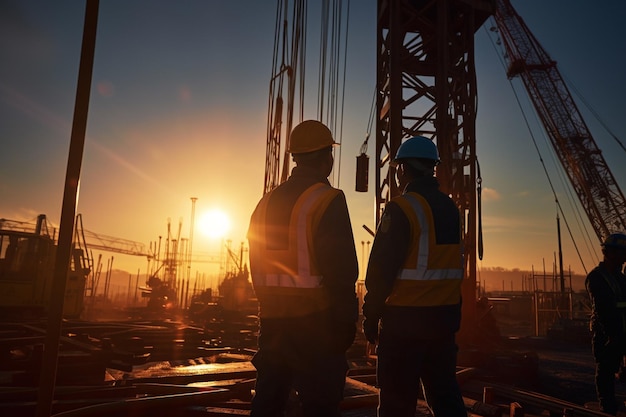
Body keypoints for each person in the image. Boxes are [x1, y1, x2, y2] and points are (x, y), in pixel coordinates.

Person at [247, 120, 359, 417]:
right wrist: (347, 324)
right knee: (320, 405)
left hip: (273, 325)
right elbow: (342, 271)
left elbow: (255, 265)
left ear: (295, 157)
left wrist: (270, 306)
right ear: (327, 157)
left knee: (268, 401)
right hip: (317, 328)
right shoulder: (328, 199)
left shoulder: (265, 202)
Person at [362, 135, 467, 417]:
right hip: (443, 323)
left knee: (397, 403)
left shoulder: (401, 208)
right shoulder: (451, 209)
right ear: (432, 168)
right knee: (446, 397)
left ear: (402, 169)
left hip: (404, 324)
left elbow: (381, 272)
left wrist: (370, 317)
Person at [585, 232, 626, 415]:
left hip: (622, 331)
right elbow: (604, 308)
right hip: (606, 334)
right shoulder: (597, 277)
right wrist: (613, 336)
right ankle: (607, 409)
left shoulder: (620, 277)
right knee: (606, 372)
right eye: (621, 254)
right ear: (609, 253)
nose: (624, 259)